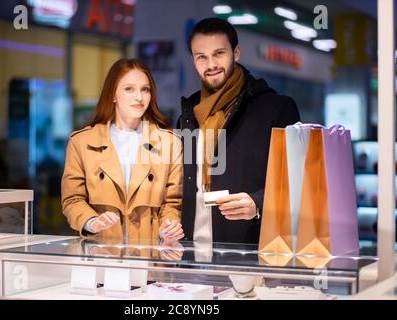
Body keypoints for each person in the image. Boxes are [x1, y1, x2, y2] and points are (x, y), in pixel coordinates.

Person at [179, 18, 300, 244]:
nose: (211, 64)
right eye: (201, 57)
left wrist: (258, 204)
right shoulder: (187, 116)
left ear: (236, 53)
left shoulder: (276, 108)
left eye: (219, 53)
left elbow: (296, 180)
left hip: (250, 250)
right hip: (192, 251)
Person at [62, 58, 184, 244]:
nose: (139, 97)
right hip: (101, 254)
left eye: (145, 89)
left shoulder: (170, 142)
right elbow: (72, 199)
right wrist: (92, 222)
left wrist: (169, 225)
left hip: (149, 256)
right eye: (129, 89)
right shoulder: (81, 142)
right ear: (113, 94)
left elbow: (172, 202)